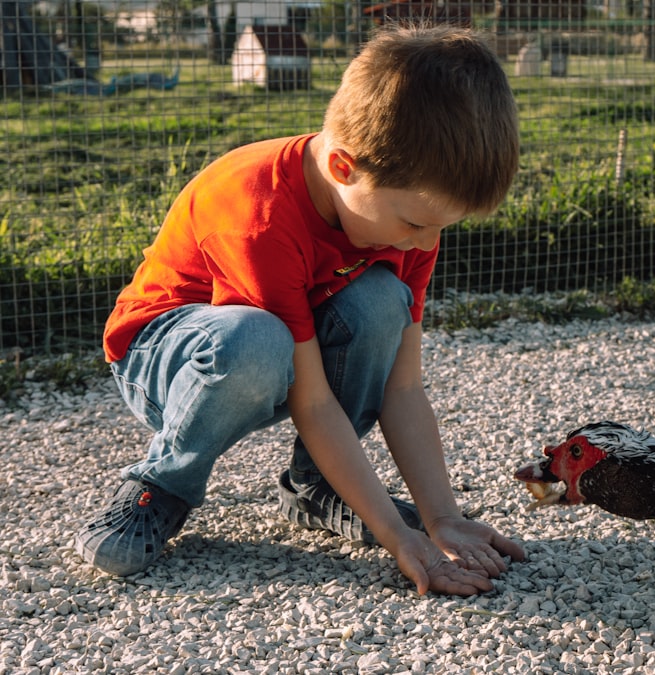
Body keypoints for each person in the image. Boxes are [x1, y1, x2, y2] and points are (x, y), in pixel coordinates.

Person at [75, 23, 525, 596]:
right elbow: (311, 400)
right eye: (415, 223)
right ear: (344, 167)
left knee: (382, 300)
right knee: (256, 341)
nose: (424, 242)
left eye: (439, 227)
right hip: (168, 357)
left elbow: (404, 388)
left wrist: (440, 518)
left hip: (284, 343)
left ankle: (318, 488)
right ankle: (161, 485)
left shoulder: (410, 221)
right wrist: (397, 537)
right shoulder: (258, 213)